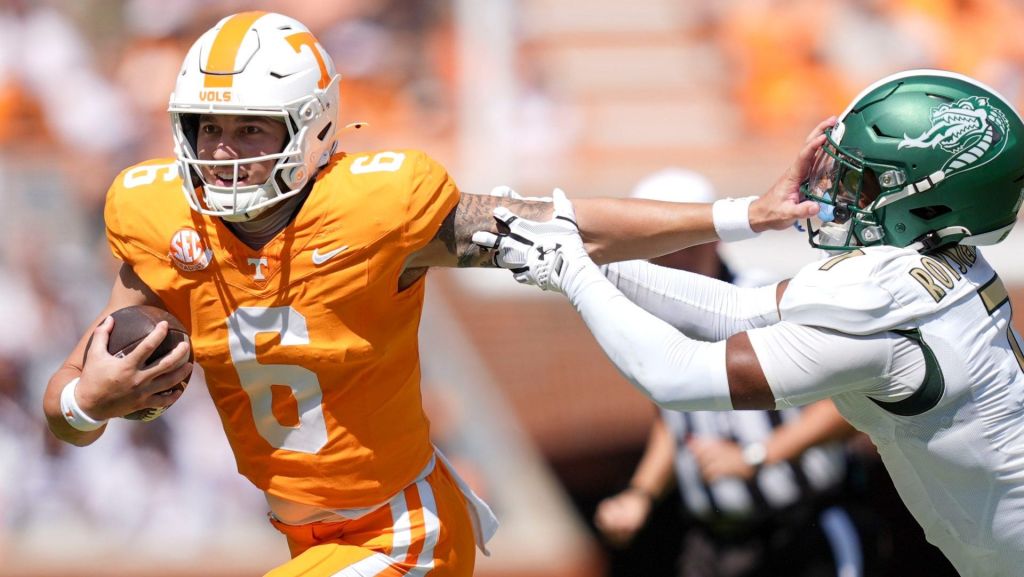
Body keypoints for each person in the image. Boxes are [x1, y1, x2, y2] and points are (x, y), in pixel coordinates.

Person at [40, 11, 821, 577]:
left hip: (399, 534)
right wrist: (89, 405)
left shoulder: (379, 209)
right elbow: (63, 409)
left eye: (250, 129)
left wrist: (741, 214)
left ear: (311, 129)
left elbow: (566, 224)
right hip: (307, 539)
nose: (223, 152)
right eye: (208, 128)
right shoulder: (159, 219)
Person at [477, 69, 1024, 577]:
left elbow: (678, 375)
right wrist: (566, 251)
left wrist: (570, 271)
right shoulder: (936, 267)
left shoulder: (888, 297)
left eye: (865, 182)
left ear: (927, 203)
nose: (836, 193)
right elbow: (733, 309)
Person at [593, 169, 863, 577]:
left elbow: (850, 402)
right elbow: (674, 421)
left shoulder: (766, 300)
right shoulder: (659, 317)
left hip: (800, 534)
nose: (667, 256)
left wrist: (758, 456)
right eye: (654, 243)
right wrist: (640, 493)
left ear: (711, 237)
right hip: (714, 545)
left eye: (678, 241)